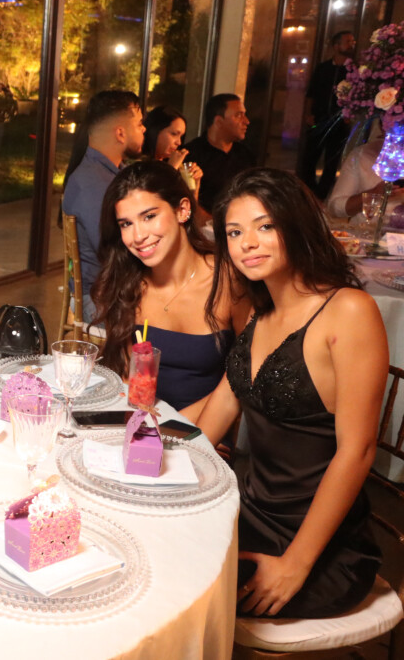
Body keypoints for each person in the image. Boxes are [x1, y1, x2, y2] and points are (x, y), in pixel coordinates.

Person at [197, 167, 385, 618]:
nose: (248, 243)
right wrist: (157, 466)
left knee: (184, 597)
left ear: (296, 224)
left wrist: (295, 565)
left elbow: (358, 450)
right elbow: (222, 404)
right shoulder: (259, 312)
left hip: (317, 544)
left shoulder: (349, 311)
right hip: (248, 511)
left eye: (265, 226)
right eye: (235, 232)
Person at [91, 161, 249, 422]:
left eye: (149, 217)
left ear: (182, 210)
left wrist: (174, 429)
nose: (138, 236)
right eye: (126, 224)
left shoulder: (228, 280)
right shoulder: (128, 283)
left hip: (206, 427)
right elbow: (128, 381)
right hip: (143, 425)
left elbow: (244, 377)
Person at [62, 90, 146, 322]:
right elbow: (114, 251)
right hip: (102, 299)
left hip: (116, 289)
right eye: (139, 124)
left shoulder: (110, 173)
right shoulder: (93, 182)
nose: (144, 129)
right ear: (120, 133)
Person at [299, 31, 355, 200]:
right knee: (309, 158)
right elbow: (311, 93)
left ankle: (321, 196)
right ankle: (307, 192)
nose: (351, 45)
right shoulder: (323, 68)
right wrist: (308, 114)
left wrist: (350, 116)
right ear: (336, 46)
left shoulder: (354, 71)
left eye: (352, 42)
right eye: (347, 41)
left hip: (340, 122)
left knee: (331, 162)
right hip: (319, 119)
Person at [182, 94, 255, 213]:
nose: (246, 121)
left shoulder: (246, 155)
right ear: (219, 121)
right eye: (238, 115)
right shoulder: (190, 155)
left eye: (244, 115)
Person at [327, 121, 404, 224]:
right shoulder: (362, 154)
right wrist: (374, 194)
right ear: (383, 127)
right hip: (366, 231)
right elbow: (335, 208)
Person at [142, 105, 206, 222]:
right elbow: (149, 202)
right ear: (155, 131)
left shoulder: (174, 165)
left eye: (181, 136)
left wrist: (194, 188)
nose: (179, 142)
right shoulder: (139, 165)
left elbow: (190, 215)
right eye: (174, 134)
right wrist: (171, 169)